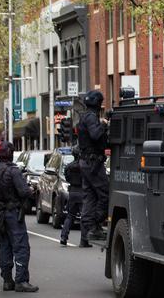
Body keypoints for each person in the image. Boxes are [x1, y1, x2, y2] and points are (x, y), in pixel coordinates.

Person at [0, 141, 39, 292]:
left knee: (5, 248)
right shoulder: (13, 171)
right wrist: (31, 190)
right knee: (21, 248)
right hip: (12, 214)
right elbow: (24, 192)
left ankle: (7, 281)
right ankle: (21, 281)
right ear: (10, 153)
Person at [78, 89, 110, 244]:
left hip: (86, 163)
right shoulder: (91, 117)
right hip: (93, 163)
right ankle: (95, 226)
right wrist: (104, 123)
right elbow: (96, 135)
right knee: (105, 193)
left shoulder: (85, 116)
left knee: (89, 196)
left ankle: (88, 231)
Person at [60, 146, 84, 247]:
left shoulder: (68, 167)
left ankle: (63, 237)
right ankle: (84, 240)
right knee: (84, 217)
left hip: (73, 192)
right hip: (82, 192)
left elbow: (67, 178)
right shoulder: (84, 166)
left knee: (70, 216)